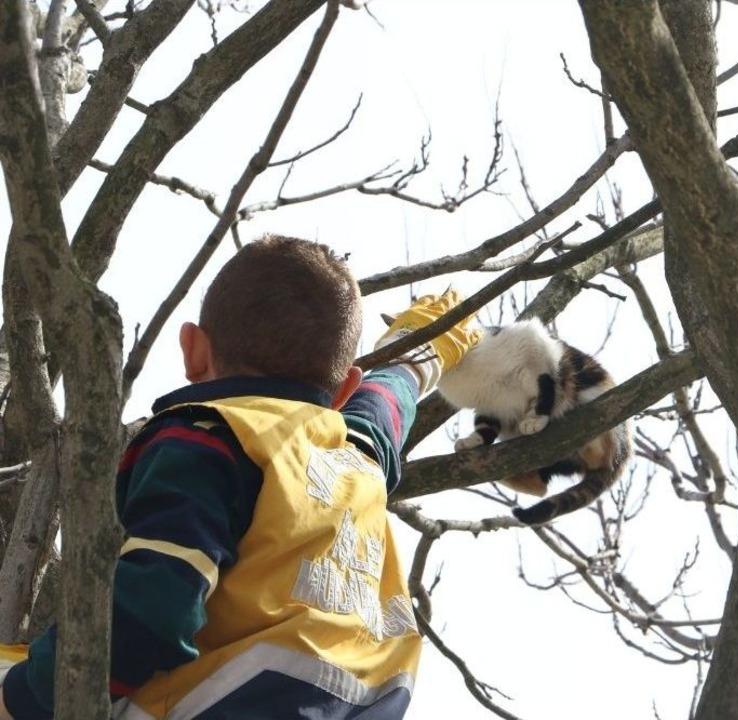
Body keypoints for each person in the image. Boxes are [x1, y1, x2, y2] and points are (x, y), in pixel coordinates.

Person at [0, 235, 480, 719]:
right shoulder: (357, 461)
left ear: (193, 349)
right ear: (344, 390)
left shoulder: (210, 437)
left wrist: (22, 698)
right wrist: (428, 343)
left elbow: (153, 608)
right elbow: (387, 402)